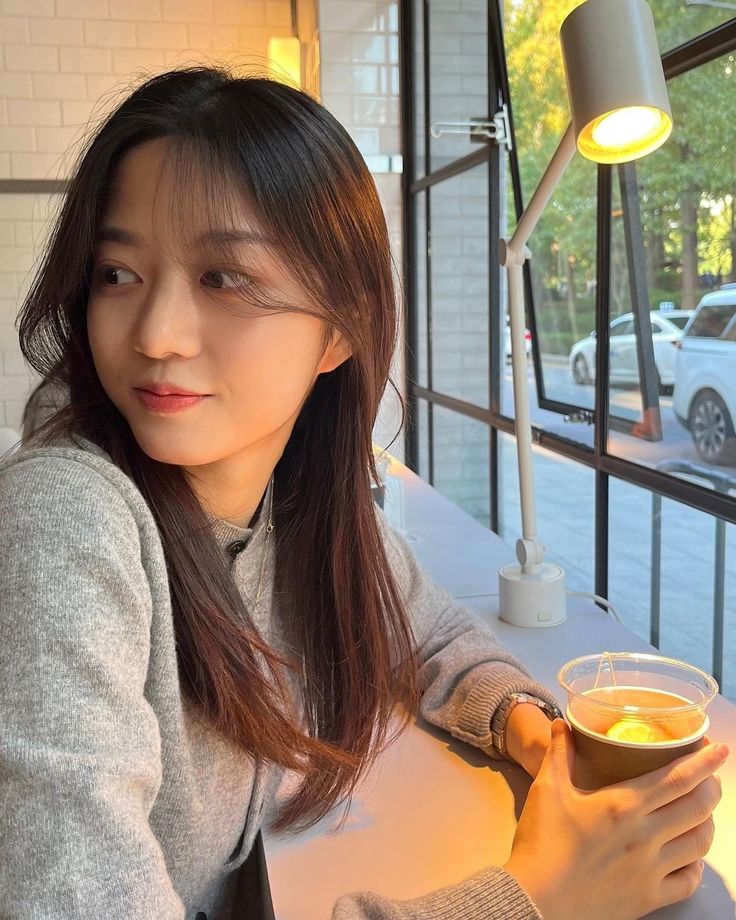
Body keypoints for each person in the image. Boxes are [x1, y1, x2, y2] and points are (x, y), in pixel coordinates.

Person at [0, 66, 727, 920]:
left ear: (340, 328)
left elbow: (425, 628)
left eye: (222, 278)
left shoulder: (289, 503)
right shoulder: (64, 520)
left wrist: (535, 732)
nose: (155, 333)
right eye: (117, 273)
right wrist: (537, 899)